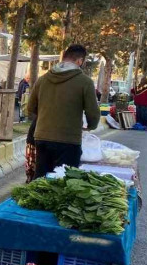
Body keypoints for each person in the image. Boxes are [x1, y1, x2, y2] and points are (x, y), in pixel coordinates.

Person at [26, 44, 100, 179]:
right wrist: (91, 126)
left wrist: (46, 116)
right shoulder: (85, 82)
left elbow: (30, 108)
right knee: (66, 182)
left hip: (42, 137)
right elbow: (93, 113)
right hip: (68, 140)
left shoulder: (42, 80)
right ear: (79, 61)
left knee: (41, 181)